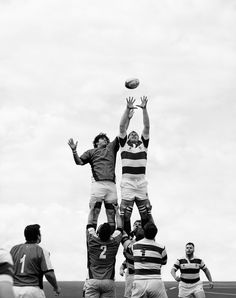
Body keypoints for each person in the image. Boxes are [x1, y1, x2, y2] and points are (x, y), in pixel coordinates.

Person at [68, 132, 119, 232]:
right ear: (96, 142)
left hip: (111, 185)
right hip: (98, 184)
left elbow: (121, 133)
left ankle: (112, 242)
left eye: (106, 139)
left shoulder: (111, 148)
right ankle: (91, 241)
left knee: (111, 214)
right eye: (103, 138)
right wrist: (74, 151)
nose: (105, 140)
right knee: (94, 211)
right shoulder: (91, 152)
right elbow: (79, 162)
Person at [119, 96, 151, 234]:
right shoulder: (124, 145)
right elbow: (121, 127)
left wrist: (144, 109)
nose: (132, 134)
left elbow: (147, 126)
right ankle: (126, 238)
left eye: (135, 134)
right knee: (125, 213)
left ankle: (146, 236)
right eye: (130, 133)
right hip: (127, 183)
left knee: (145, 213)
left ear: (138, 138)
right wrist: (127, 109)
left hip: (141, 183)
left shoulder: (143, 145)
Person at [10, 224, 61, 298]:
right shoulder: (41, 250)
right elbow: (49, 274)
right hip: (32, 290)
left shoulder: (14, 249)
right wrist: (56, 287)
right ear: (38, 236)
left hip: (14, 290)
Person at [85, 203, 123, 298]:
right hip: (108, 281)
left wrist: (92, 209)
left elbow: (89, 224)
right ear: (110, 234)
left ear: (98, 233)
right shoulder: (114, 242)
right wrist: (117, 211)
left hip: (93, 280)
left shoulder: (92, 240)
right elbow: (120, 227)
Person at [131, 222, 168, 298]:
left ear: (144, 232)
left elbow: (130, 253)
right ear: (155, 234)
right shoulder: (161, 248)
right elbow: (164, 262)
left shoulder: (134, 246)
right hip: (155, 281)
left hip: (139, 282)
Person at [120, 220, 144, 298]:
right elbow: (128, 259)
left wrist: (131, 233)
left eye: (139, 225)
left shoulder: (145, 242)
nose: (137, 226)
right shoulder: (131, 242)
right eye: (135, 225)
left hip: (141, 276)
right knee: (128, 295)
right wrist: (122, 267)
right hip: (131, 275)